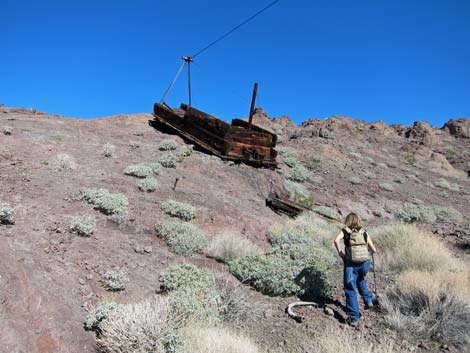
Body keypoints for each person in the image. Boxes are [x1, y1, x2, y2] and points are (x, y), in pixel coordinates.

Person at [334, 212, 377, 327]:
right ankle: (368, 300)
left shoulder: (345, 231)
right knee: (360, 278)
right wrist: (366, 253)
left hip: (351, 263)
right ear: (358, 220)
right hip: (365, 263)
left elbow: (336, 240)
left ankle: (354, 318)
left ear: (348, 220)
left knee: (350, 289)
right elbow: (374, 249)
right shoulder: (363, 231)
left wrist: (341, 253)